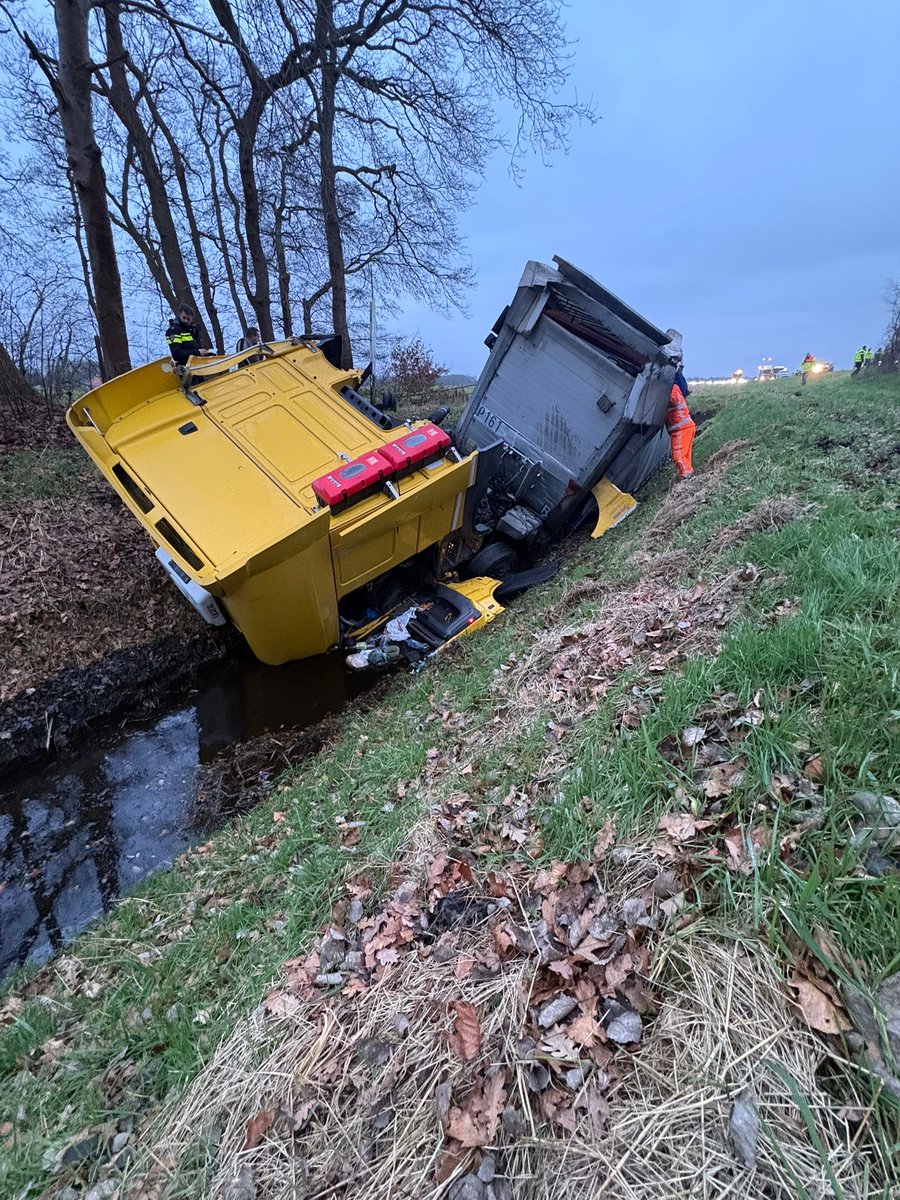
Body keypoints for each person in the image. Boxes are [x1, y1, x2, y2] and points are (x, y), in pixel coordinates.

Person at [666, 367, 695, 480]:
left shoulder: (671, 389)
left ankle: (687, 479)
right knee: (685, 457)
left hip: (680, 429)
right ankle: (690, 475)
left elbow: (673, 400)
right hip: (686, 426)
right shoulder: (675, 388)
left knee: (679, 457)